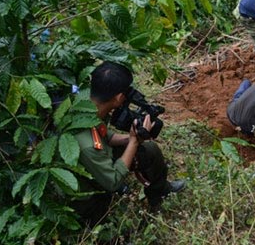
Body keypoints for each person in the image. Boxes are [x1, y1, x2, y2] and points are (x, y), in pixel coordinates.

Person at [73, 62, 185, 225]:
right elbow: (113, 181)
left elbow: (104, 134)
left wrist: (130, 139)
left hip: (98, 163)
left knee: (149, 150)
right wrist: (133, 142)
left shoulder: (88, 106)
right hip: (86, 194)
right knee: (116, 230)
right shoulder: (88, 144)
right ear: (119, 97)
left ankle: (160, 192)